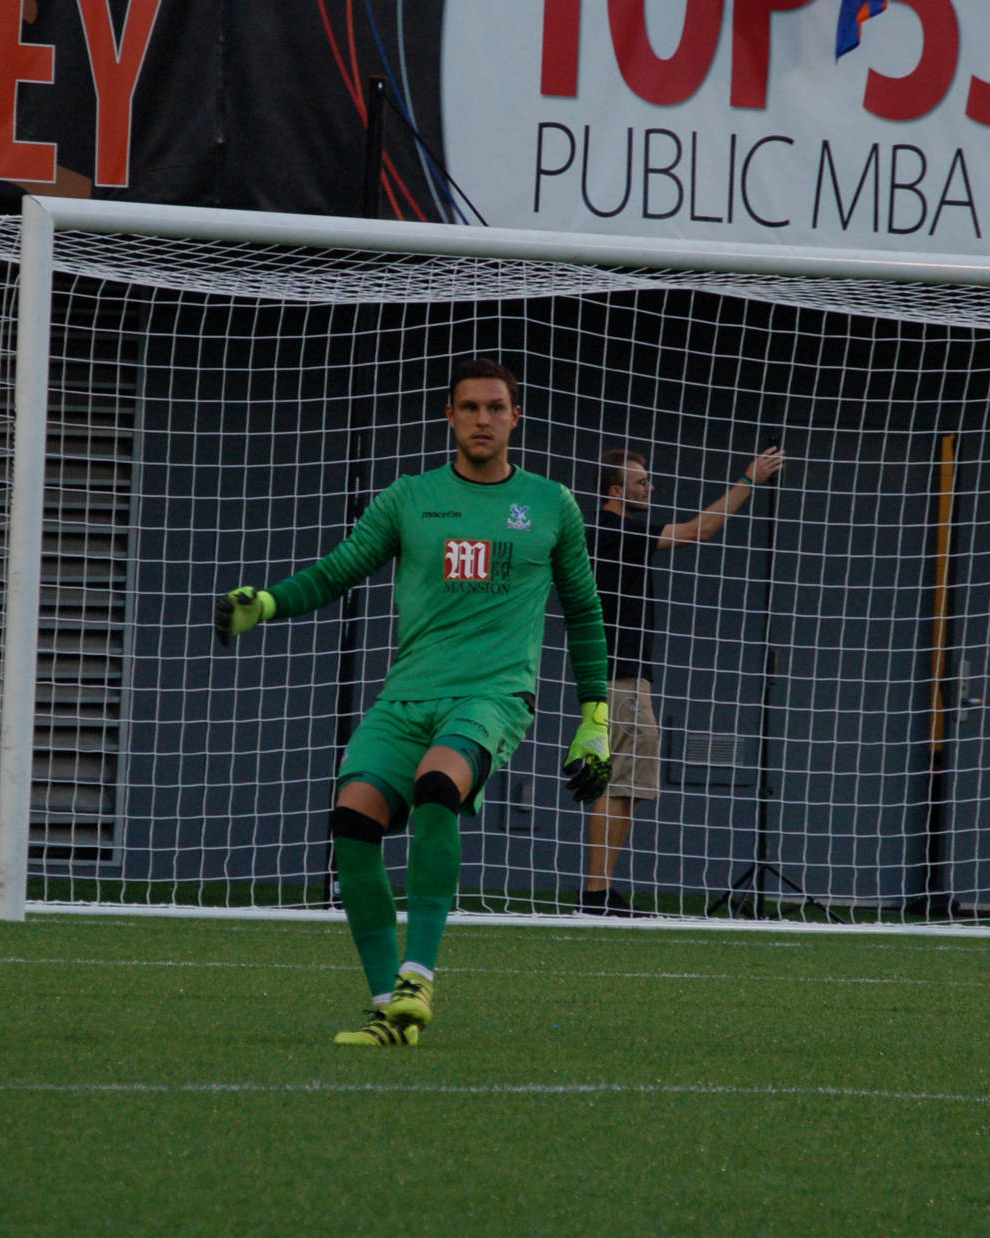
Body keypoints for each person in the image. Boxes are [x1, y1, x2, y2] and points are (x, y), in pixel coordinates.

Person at [214, 358, 611, 1046]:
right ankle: (387, 1011)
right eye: (469, 408)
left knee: (437, 784)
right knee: (351, 820)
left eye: (495, 407)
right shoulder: (409, 498)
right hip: (407, 695)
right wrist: (271, 602)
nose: (482, 419)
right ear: (449, 417)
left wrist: (596, 718)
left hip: (493, 693)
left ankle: (417, 975)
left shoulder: (551, 504)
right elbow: (340, 570)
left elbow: (583, 609)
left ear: (516, 417)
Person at [580, 443, 786, 915]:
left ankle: (602, 892)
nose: (650, 487)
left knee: (628, 787)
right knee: (615, 785)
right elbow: (701, 529)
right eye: (640, 482)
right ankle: (594, 896)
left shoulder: (617, 531)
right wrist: (749, 480)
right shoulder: (613, 530)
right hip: (620, 678)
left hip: (630, 678)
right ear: (615, 491)